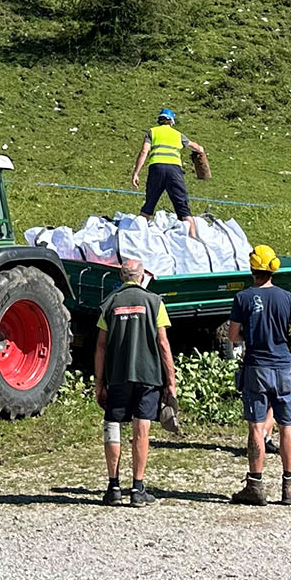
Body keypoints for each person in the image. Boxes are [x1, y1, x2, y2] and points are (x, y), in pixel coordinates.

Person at [93, 257, 178, 507]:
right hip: (148, 376)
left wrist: (99, 382)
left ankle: (113, 487)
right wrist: (170, 381)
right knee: (142, 430)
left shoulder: (109, 304)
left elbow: (100, 346)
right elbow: (163, 344)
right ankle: (138, 489)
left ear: (122, 277)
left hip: (117, 377)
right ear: (142, 277)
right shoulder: (154, 302)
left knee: (113, 427)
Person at [228, 244, 291, 505]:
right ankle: (290, 487)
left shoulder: (243, 298)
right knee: (287, 428)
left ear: (252, 268)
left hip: (256, 367)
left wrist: (249, 338)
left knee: (256, 426)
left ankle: (255, 485)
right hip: (283, 367)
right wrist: (287, 343)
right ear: (273, 268)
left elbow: (233, 336)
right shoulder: (287, 298)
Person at [130, 109, 206, 237]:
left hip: (156, 169)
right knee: (183, 208)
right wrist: (200, 150)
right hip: (174, 171)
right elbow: (196, 147)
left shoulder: (152, 132)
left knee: (149, 205)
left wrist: (136, 173)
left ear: (159, 120)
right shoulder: (178, 135)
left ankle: (136, 237)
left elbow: (144, 152)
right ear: (172, 121)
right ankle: (194, 239)